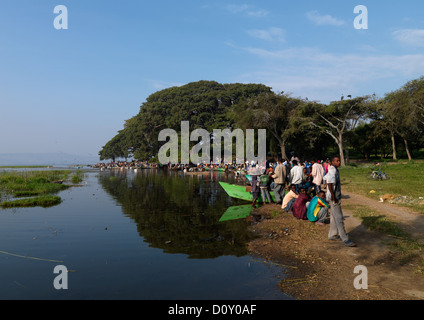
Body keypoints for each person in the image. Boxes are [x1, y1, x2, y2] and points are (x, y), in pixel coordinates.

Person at [325, 155, 357, 247]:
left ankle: (332, 234)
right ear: (332, 162)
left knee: (333, 217)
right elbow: (329, 183)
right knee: (339, 218)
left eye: (339, 161)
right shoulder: (332, 170)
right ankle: (345, 239)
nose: (339, 162)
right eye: (337, 161)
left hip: (334, 197)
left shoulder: (334, 169)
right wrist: (334, 197)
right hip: (334, 198)